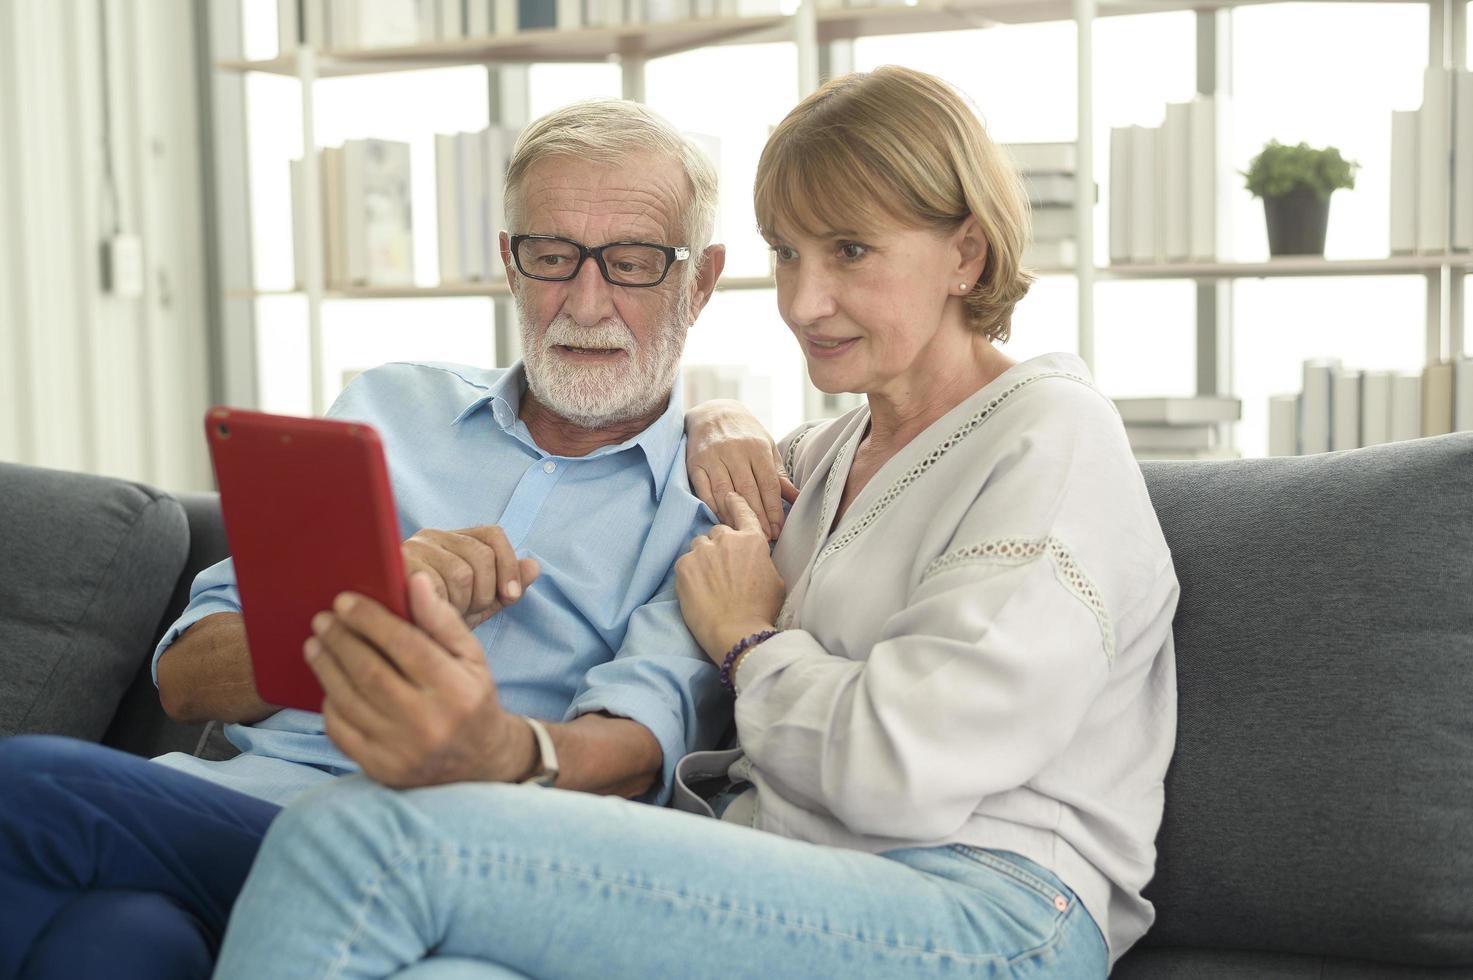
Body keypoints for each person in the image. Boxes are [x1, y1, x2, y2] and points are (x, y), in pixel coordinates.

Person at [210, 66, 1178, 979]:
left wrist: (749, 640)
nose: (804, 300)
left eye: (851, 251)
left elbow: (901, 771)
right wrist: (717, 415)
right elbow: (724, 478)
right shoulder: (823, 456)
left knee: (358, 833)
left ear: (965, 252)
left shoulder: (1049, 441)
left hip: (989, 913)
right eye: (788, 253)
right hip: (784, 868)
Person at [0, 99, 733, 980]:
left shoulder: (708, 508)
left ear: (700, 282)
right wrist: (361, 602)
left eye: (632, 263)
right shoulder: (388, 410)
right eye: (550, 256)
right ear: (508, 261)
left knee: (31, 784)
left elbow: (632, 762)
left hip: (431, 853)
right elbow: (187, 681)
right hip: (233, 813)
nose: (585, 300)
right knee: (115, 947)